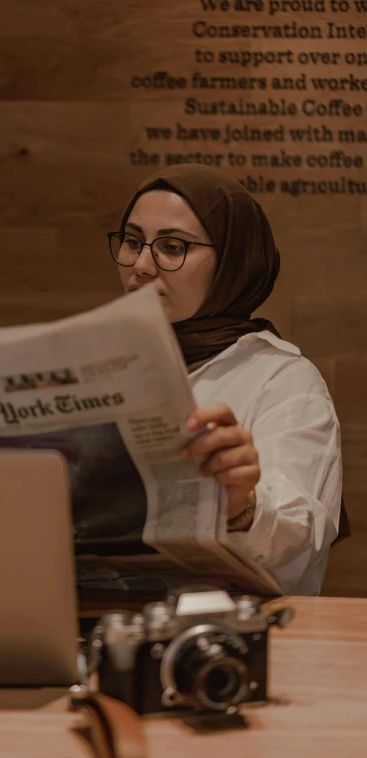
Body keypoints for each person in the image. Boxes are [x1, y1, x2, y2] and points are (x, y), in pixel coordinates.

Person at [108, 163, 348, 596]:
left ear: (231, 264)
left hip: (223, 640)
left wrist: (243, 505)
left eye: (172, 246)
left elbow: (304, 532)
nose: (141, 265)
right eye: (132, 241)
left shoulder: (281, 379)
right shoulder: (105, 360)